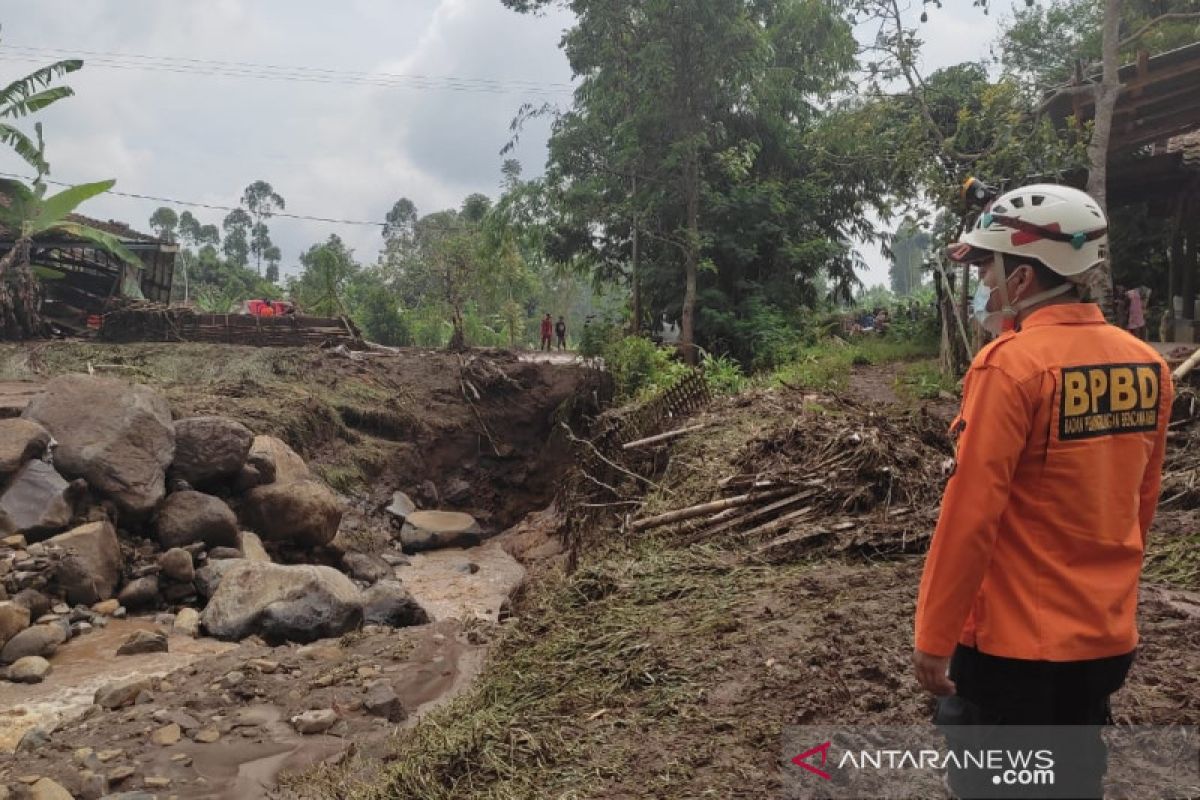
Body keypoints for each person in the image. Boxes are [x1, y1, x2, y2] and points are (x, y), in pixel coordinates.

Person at [914, 184, 1172, 798]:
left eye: (986, 267)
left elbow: (971, 517)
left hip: (1014, 649)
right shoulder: (1146, 366)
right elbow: (1140, 507)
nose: (982, 283)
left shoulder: (1011, 367)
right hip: (1104, 641)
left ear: (1024, 278)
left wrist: (933, 636)